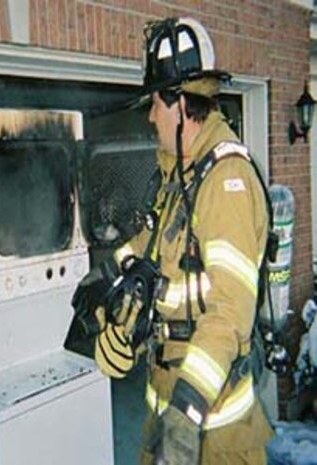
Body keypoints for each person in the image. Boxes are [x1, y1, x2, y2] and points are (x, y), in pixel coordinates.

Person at [72, 17, 274, 465]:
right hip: (165, 416)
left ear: (178, 103)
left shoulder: (226, 181)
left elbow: (230, 315)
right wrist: (112, 315)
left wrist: (184, 415)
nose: (149, 116)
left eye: (154, 104)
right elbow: (141, 259)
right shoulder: (177, 178)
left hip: (213, 434)